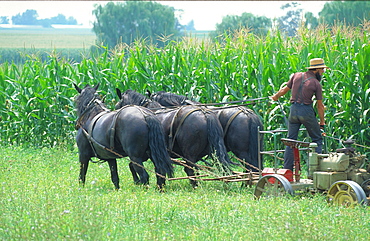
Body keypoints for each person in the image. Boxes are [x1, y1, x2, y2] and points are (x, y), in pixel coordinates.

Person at [271, 58, 328, 171]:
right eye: (322, 69)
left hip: (293, 110)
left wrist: (275, 97)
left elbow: (284, 90)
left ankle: (287, 170)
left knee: (290, 141)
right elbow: (320, 106)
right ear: (316, 69)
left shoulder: (296, 76)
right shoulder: (316, 83)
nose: (323, 72)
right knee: (317, 140)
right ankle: (316, 171)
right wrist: (322, 122)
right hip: (306, 111)